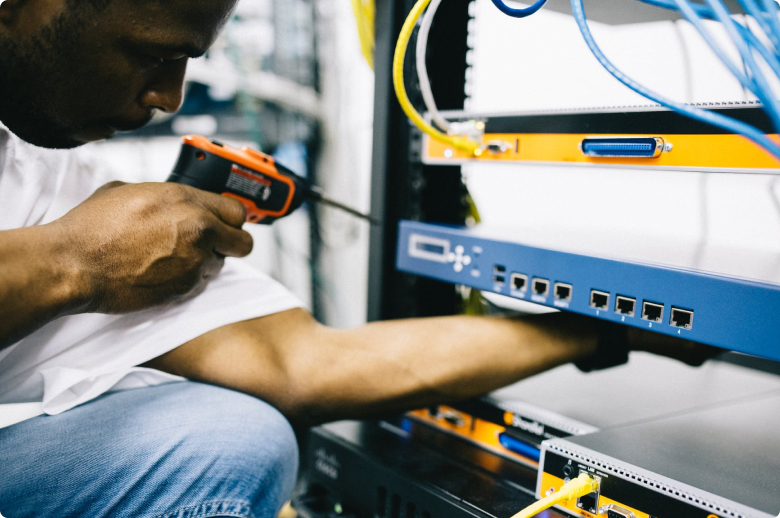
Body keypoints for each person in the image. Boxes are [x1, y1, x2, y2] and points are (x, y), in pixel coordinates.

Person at [0, 0, 713, 516]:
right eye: (152, 53)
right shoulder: (74, 230)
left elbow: (300, 363)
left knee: (228, 433)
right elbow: (77, 256)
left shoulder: (43, 177)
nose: (168, 97)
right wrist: (74, 263)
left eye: (186, 63)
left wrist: (611, 328)